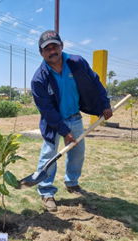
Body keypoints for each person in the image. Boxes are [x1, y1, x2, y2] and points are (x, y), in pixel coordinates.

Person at [31, 30, 113, 212]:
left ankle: (72, 183)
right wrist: (64, 131)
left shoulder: (76, 63)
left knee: (77, 153)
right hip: (53, 123)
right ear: (41, 52)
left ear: (62, 46)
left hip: (74, 117)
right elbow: (47, 110)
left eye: (55, 46)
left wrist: (104, 105)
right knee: (49, 156)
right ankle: (46, 192)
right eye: (47, 49)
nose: (52, 51)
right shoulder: (39, 78)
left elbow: (95, 82)